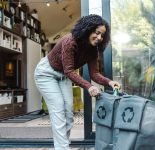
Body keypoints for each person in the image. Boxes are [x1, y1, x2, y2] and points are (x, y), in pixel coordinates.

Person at [34, 14, 121, 150]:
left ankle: (62, 145)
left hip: (63, 76)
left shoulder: (93, 50)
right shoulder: (70, 41)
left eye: (102, 35)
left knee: (68, 114)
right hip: (46, 73)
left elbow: (94, 74)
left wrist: (109, 82)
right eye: (97, 33)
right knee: (58, 109)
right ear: (88, 29)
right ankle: (63, 148)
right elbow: (69, 70)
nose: (99, 38)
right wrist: (89, 86)